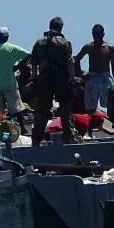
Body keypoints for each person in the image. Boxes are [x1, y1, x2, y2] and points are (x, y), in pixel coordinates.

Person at [29, 17, 78, 145]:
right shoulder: (64, 42)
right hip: (61, 79)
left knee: (42, 111)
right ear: (61, 27)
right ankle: (69, 138)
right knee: (65, 109)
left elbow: (33, 62)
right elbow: (69, 62)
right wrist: (72, 79)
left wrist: (34, 77)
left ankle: (36, 140)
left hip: (44, 79)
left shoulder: (39, 42)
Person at [74, 24, 114, 114]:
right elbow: (77, 59)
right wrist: (79, 75)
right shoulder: (88, 47)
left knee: (110, 104)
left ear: (103, 34)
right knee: (90, 106)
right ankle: (91, 123)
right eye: (95, 35)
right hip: (93, 78)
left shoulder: (109, 48)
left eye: (98, 35)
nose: (96, 37)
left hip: (105, 78)